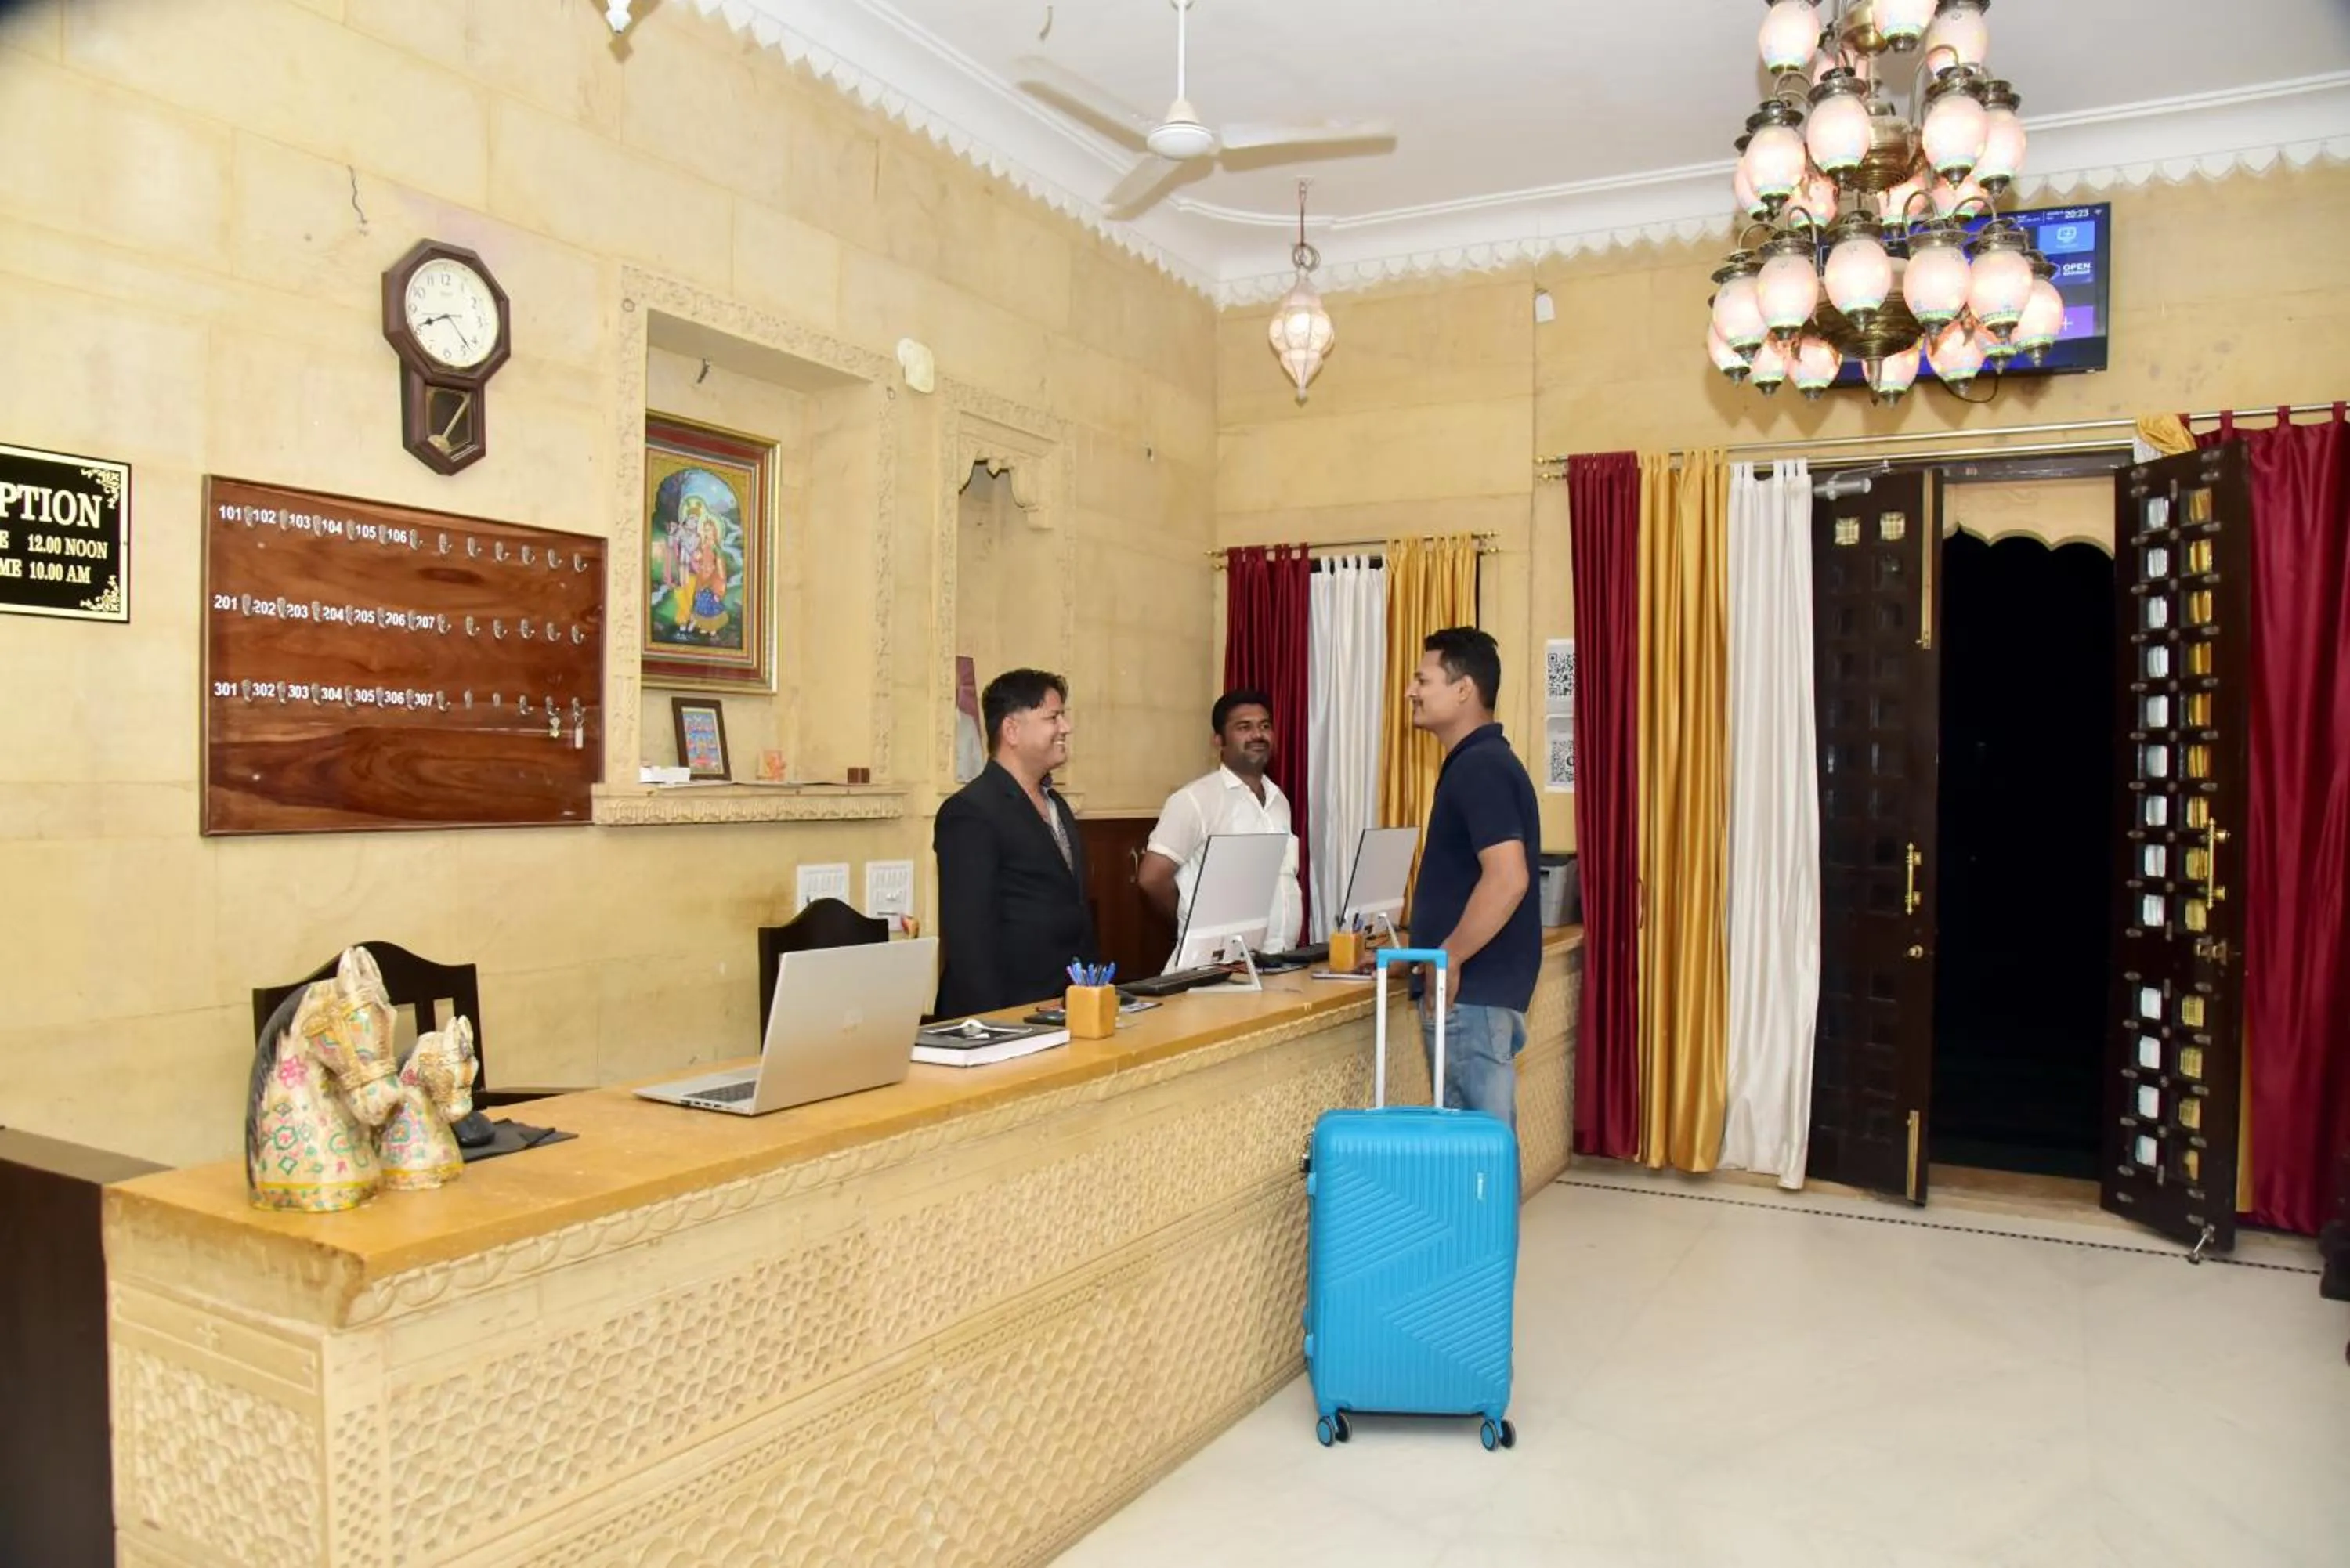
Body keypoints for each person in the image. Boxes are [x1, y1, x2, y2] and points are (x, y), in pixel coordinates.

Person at [1405, 627, 1542, 1131]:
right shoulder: (1480, 762)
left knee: (1475, 1148)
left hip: (1472, 992)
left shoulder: (1480, 767)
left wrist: (1451, 956)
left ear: (1464, 690)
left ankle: (1487, 1217)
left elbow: (1508, 878)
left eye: (1423, 679)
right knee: (1480, 1143)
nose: (1411, 692)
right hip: (1479, 992)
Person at [932, 668, 1098, 1018]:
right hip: (1004, 1016)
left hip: (1062, 1008)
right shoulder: (970, 812)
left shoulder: (1057, 805)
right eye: (1054, 717)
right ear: (1012, 730)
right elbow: (969, 940)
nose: (1066, 727)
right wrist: (998, 1028)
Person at [1137, 688, 1303, 959]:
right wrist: (1192, 920)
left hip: (1280, 960)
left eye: (1265, 726)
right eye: (1244, 727)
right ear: (1219, 740)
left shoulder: (1279, 801)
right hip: (1217, 968)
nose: (1258, 735)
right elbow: (1151, 878)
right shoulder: (1194, 800)